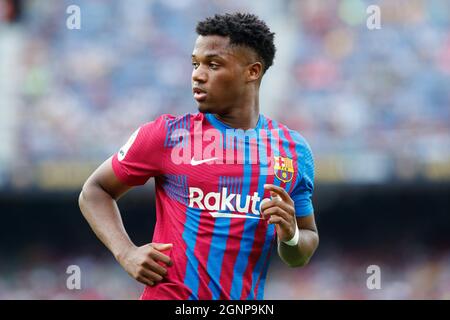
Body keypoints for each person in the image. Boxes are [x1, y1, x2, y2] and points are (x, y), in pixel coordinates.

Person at [78, 12, 319, 300]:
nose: (197, 75)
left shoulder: (292, 151)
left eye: (213, 64)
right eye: (195, 64)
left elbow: (300, 252)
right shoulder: (166, 135)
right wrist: (126, 252)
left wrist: (290, 234)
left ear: (252, 71)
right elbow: (95, 190)